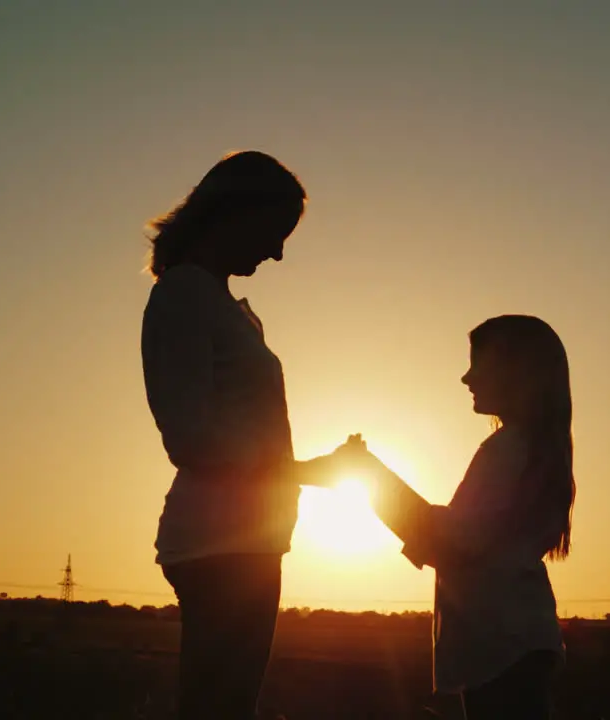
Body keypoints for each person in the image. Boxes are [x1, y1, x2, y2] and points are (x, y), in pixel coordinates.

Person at [140, 150, 360, 720]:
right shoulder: (185, 293)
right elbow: (189, 439)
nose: (278, 251)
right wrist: (309, 472)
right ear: (236, 213)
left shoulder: (217, 302)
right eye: (275, 231)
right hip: (220, 542)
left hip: (245, 539)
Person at [352, 315, 575, 720]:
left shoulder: (509, 449)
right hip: (515, 640)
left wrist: (371, 479)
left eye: (478, 364)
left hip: (502, 643)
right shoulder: (535, 449)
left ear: (514, 370)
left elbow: (453, 541)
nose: (466, 378)